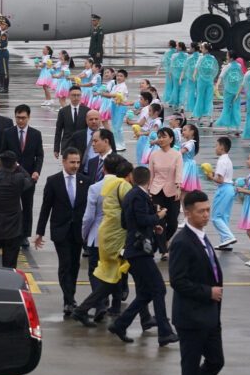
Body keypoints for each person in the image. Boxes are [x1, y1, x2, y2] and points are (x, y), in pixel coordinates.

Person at [165, 190, 224, 375]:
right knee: (189, 371)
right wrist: (208, 292)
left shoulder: (201, 235)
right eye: (201, 212)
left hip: (209, 316)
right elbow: (178, 281)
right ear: (188, 213)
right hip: (191, 318)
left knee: (216, 361)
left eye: (208, 210)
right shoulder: (182, 242)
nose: (206, 215)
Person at [108, 166, 179, 346]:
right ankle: (164, 332)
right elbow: (141, 219)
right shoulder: (139, 196)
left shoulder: (132, 195)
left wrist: (151, 227)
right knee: (159, 289)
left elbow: (126, 222)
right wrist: (158, 216)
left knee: (146, 293)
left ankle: (120, 324)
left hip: (135, 249)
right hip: (139, 251)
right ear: (149, 180)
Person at [72, 159, 134, 326]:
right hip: (120, 237)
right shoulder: (124, 186)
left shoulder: (95, 187)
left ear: (104, 169)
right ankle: (115, 305)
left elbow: (89, 216)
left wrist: (84, 235)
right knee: (118, 272)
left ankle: (98, 305)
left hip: (98, 235)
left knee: (97, 272)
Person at [35, 148, 89, 314]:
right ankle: (69, 300)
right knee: (65, 264)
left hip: (78, 231)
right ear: (64, 162)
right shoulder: (53, 181)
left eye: (78, 162)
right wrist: (40, 232)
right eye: (72, 162)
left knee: (74, 265)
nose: (75, 165)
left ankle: (70, 297)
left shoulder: (84, 181)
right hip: (61, 230)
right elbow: (46, 207)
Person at [2, 104, 44, 246]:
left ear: (29, 117)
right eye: (18, 118)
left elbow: (39, 155)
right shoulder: (8, 133)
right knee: (9, 206)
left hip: (29, 177)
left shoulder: (36, 134)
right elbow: (3, 153)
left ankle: (24, 234)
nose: (20, 121)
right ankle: (9, 232)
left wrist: (37, 171)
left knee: (27, 206)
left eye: (23, 118)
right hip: (11, 177)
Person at [148, 127, 183, 259]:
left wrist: (178, 187)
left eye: (164, 137)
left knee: (173, 222)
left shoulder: (177, 154)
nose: (161, 139)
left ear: (171, 139)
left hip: (172, 190)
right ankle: (164, 250)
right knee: (159, 221)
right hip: (156, 190)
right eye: (159, 137)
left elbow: (179, 172)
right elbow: (150, 174)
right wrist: (149, 191)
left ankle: (163, 240)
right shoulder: (154, 155)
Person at [206, 136, 238, 250]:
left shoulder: (221, 161)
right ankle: (225, 241)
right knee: (224, 216)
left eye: (216, 145)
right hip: (229, 188)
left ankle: (228, 236)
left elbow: (219, 179)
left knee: (216, 217)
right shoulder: (227, 160)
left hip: (224, 189)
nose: (215, 148)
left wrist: (210, 177)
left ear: (222, 147)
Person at [54, 87, 88, 158]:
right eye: (74, 95)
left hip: (82, 146)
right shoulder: (63, 111)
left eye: (78, 95)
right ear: (69, 96)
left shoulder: (87, 111)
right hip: (67, 145)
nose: (76, 97)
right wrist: (56, 149)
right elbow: (58, 131)